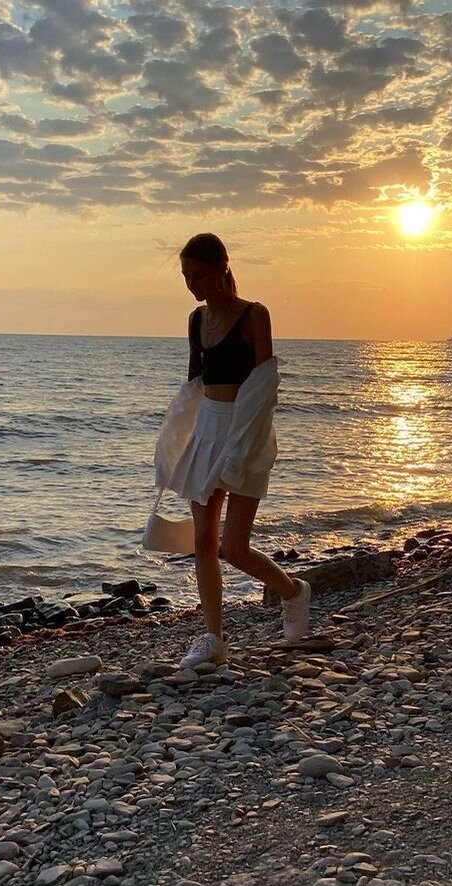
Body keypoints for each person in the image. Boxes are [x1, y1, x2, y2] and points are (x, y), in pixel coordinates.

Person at [162, 232, 311, 669]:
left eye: (198, 275)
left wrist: (242, 446)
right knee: (204, 542)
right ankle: (214, 638)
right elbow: (194, 387)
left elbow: (264, 387)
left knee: (235, 547)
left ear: (222, 268)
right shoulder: (196, 320)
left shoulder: (254, 315)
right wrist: (175, 443)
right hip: (207, 431)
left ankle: (293, 591)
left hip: (247, 431)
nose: (191, 284)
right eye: (185, 276)